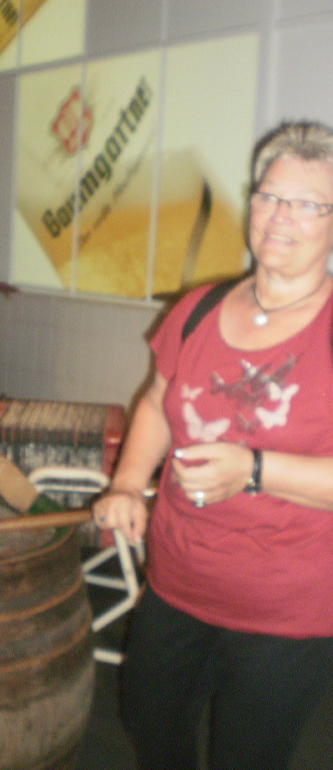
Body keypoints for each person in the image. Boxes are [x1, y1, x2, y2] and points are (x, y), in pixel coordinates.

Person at [92, 120, 333, 770]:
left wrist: (253, 470)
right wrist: (127, 482)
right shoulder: (198, 308)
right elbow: (156, 401)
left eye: (308, 203)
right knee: (147, 724)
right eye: (268, 195)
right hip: (178, 582)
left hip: (286, 611)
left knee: (246, 757)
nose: (280, 215)